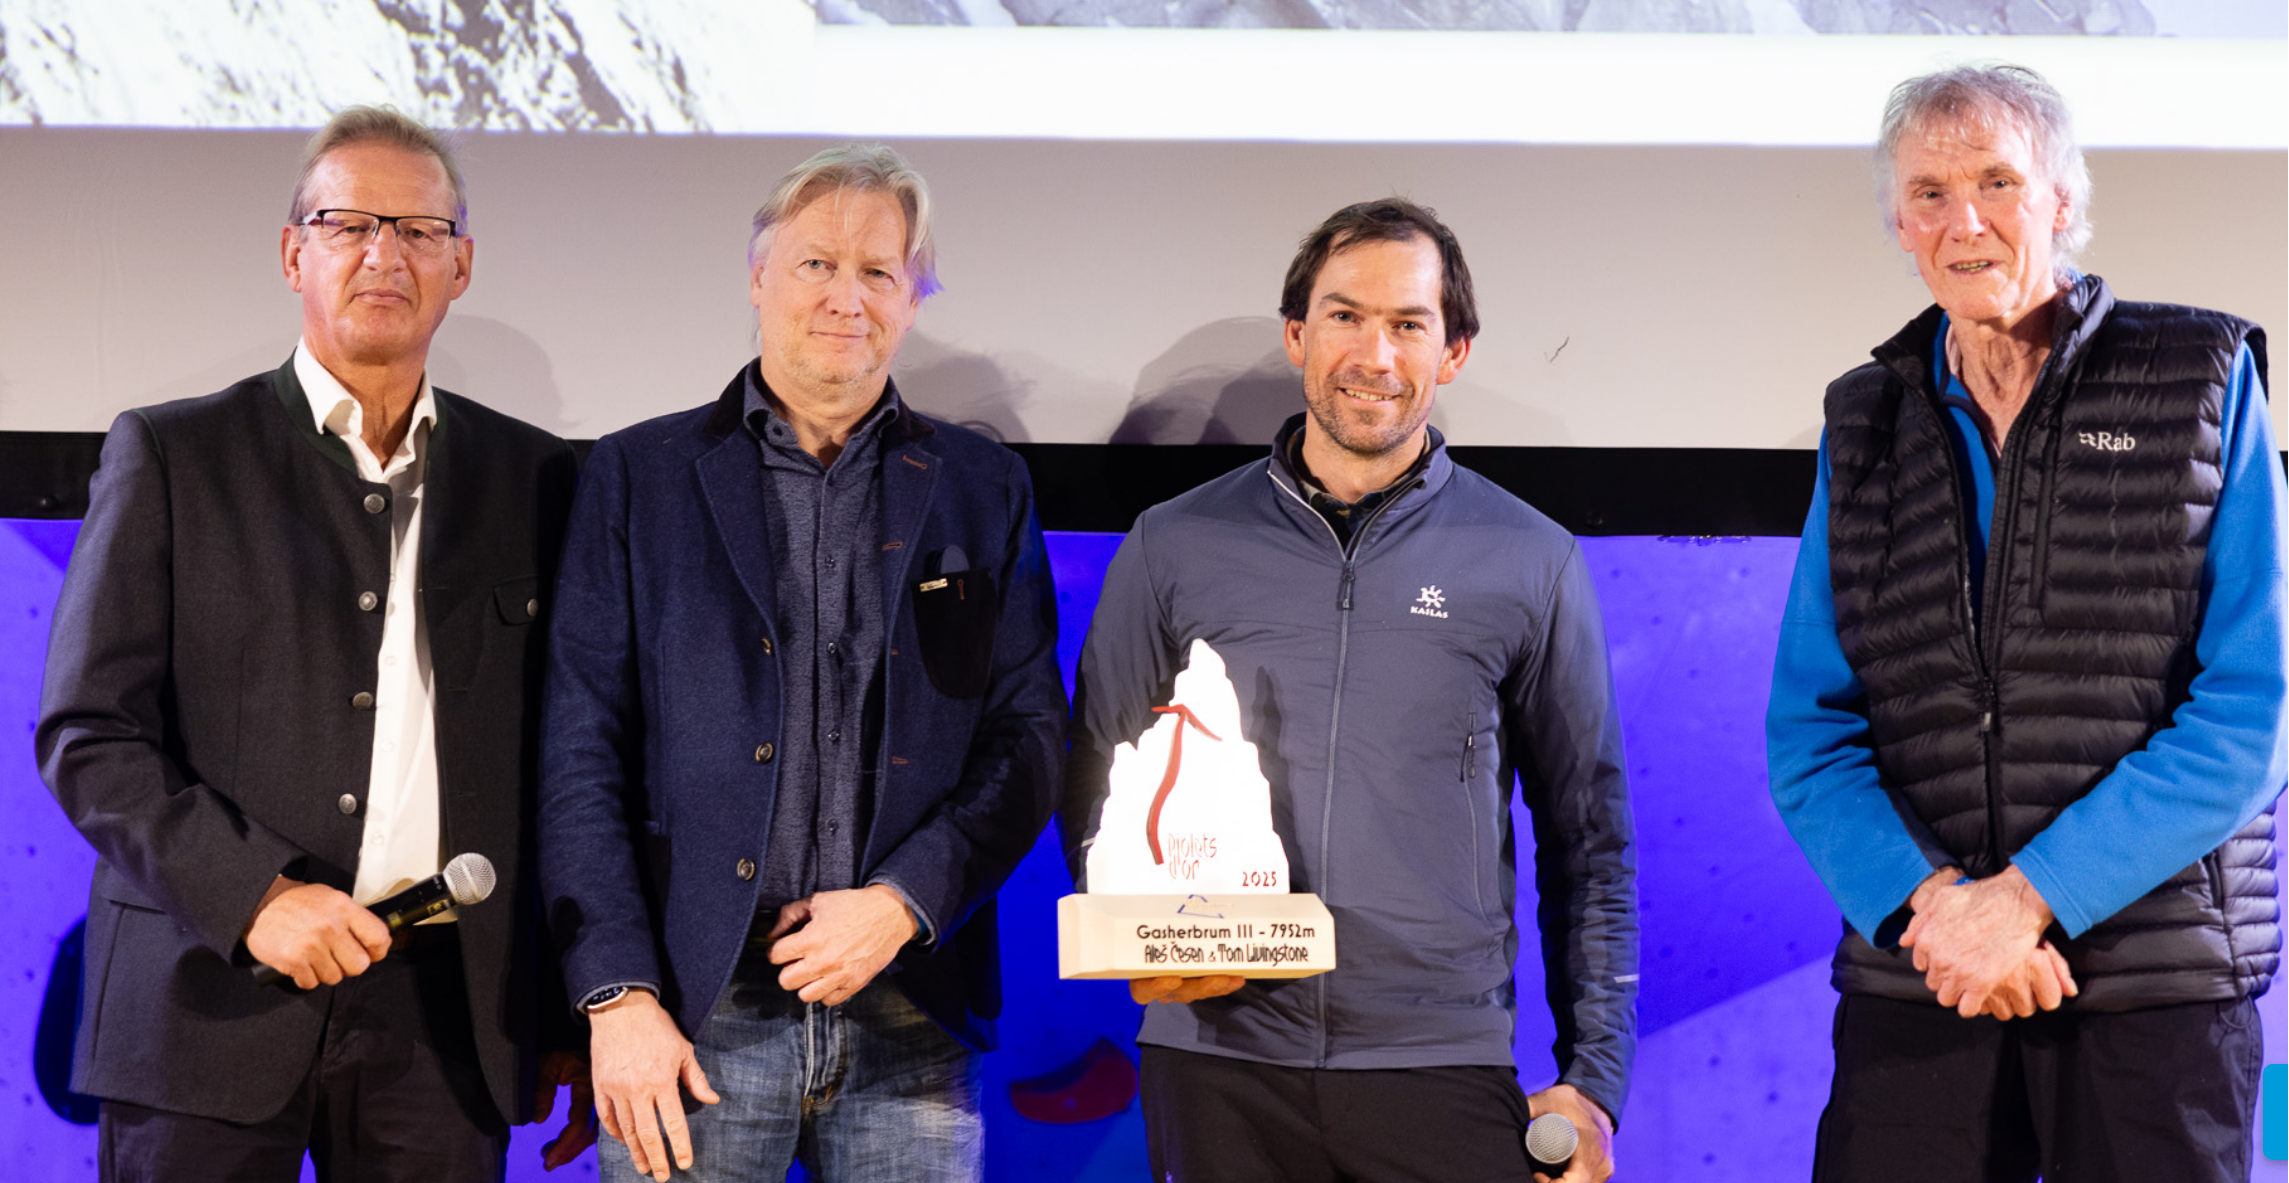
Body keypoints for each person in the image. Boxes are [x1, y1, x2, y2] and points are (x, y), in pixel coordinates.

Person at [35, 107, 594, 1180]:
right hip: (206, 991)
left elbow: (568, 763)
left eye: (420, 230)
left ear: (461, 266)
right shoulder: (174, 453)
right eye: (348, 224)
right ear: (294, 254)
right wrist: (257, 896)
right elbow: (88, 732)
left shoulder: (532, 477)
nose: (384, 254)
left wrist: (568, 1005)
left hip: (446, 1017)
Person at [1767, 64, 2286, 1181]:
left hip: (2153, 986)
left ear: (2060, 199)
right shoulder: (1862, 421)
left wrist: (2031, 899)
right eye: (1929, 193)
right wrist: (1940, 915)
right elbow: (1810, 735)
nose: (1965, 221)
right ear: (1900, 225)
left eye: (1997, 182)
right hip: (1927, 981)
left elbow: (2253, 708)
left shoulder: (2199, 377)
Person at [1063, 199, 1636, 1183]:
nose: (1374, 354)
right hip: (1217, 1058)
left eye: (1408, 323)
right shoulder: (1173, 543)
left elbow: (1590, 838)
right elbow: (1095, 782)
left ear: (1453, 352)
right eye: (1344, 316)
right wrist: (1133, 931)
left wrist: (1594, 1077)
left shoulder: (1530, 559)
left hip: (1439, 1062)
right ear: (1297, 335)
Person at [539, 144, 1067, 1183]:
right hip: (691, 1014)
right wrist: (616, 994)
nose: (845, 297)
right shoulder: (637, 475)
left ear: (912, 298)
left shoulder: (983, 485)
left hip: (912, 1007)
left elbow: (1029, 735)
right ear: (758, 278)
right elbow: (578, 749)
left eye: (878, 271)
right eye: (816, 264)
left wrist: (903, 901)